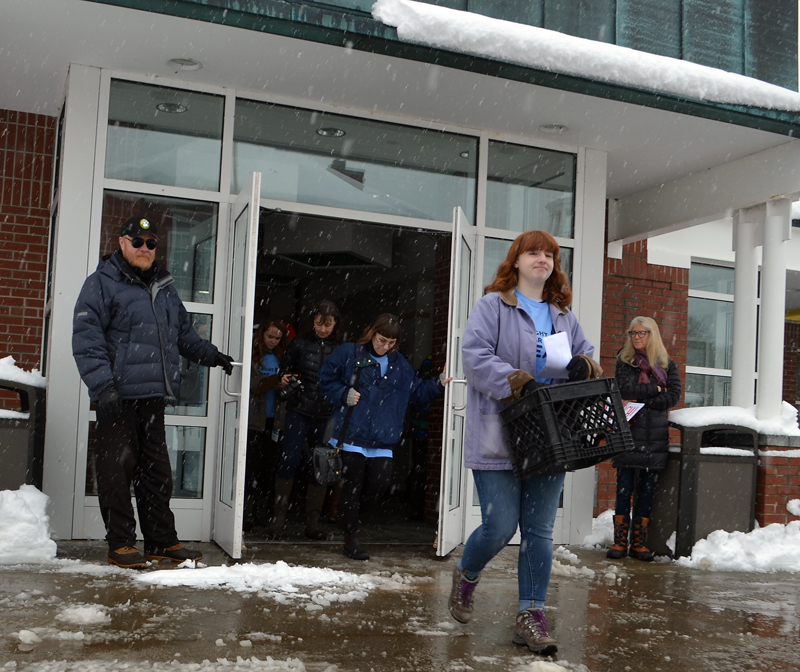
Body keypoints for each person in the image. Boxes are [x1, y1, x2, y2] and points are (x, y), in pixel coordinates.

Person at [448, 230, 602, 656]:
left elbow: (590, 358)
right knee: (499, 526)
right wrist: (516, 380)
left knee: (538, 531)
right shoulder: (492, 306)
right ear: (515, 261)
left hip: (549, 437)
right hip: (500, 433)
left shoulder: (562, 317)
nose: (543, 259)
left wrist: (581, 366)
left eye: (549, 254)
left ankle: (530, 614)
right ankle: (467, 573)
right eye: (533, 252)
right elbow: (475, 357)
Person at [72, 215, 234, 569]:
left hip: (153, 398)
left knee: (157, 474)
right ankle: (121, 544)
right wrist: (104, 387)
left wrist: (212, 355)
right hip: (117, 398)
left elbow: (183, 335)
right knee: (116, 473)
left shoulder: (164, 287)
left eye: (151, 243)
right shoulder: (101, 284)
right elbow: (87, 341)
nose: (145, 248)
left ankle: (160, 541)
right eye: (138, 241)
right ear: (122, 242)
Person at [318, 313, 450, 561]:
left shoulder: (399, 365)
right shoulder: (350, 353)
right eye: (381, 340)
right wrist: (342, 393)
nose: (385, 346)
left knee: (379, 485)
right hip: (352, 436)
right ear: (372, 333)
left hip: (382, 440)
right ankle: (351, 537)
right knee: (352, 486)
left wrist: (439, 383)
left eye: (391, 343)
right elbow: (325, 379)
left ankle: (350, 517)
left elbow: (417, 393)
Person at [608, 316, 682, 561]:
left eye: (642, 333)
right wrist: (655, 390)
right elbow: (624, 390)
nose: (637, 337)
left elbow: (673, 396)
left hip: (655, 438)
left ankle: (639, 544)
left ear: (653, 335)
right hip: (629, 435)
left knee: (647, 492)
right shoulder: (625, 361)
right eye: (633, 333)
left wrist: (645, 400)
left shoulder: (666, 364)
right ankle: (619, 543)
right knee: (624, 490)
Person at [270, 300, 342, 540]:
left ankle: (313, 523)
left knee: (321, 466)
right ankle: (278, 520)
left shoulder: (341, 349)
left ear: (334, 325)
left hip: (325, 414)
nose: (323, 329)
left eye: (328, 325)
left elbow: (344, 380)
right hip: (298, 410)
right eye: (320, 323)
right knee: (287, 461)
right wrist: (286, 380)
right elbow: (284, 372)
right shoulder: (299, 343)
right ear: (313, 321)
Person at [244, 318, 290, 530]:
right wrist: (274, 381)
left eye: (277, 338)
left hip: (275, 419)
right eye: (269, 336)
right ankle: (245, 512)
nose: (273, 341)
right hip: (254, 419)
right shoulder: (252, 355)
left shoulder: (282, 357)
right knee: (250, 467)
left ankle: (261, 510)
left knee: (268, 468)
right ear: (261, 335)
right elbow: (249, 385)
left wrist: (286, 383)